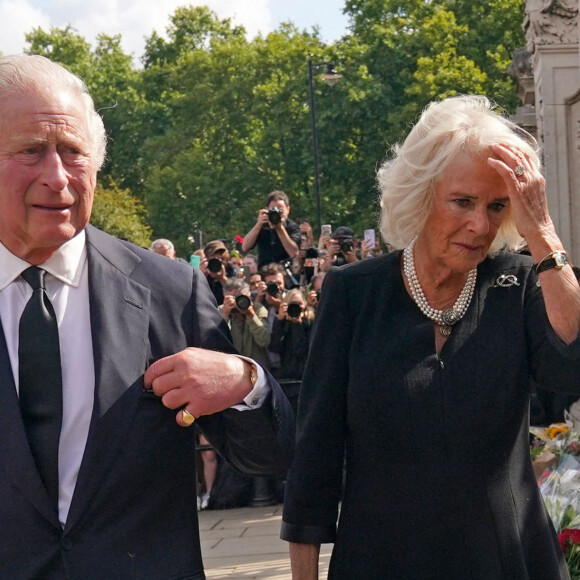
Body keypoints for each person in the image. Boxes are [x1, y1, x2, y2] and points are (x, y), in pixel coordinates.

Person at [0, 54, 293, 579]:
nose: (57, 177)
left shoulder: (170, 291)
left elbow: (269, 457)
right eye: (31, 151)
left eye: (73, 152)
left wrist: (245, 383)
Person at [281, 95, 580, 579]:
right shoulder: (354, 293)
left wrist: (544, 236)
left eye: (496, 207)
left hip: (508, 562)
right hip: (380, 562)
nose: (480, 225)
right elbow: (315, 455)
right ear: (421, 195)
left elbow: (572, 364)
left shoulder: (518, 283)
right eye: (462, 201)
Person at [241, 190, 301, 269]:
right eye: (273, 210)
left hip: (284, 271)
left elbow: (294, 253)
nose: (277, 214)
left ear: (288, 210)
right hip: (264, 271)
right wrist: (258, 225)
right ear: (267, 210)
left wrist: (280, 228)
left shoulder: (292, 227)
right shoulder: (262, 226)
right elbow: (245, 247)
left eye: (280, 210)